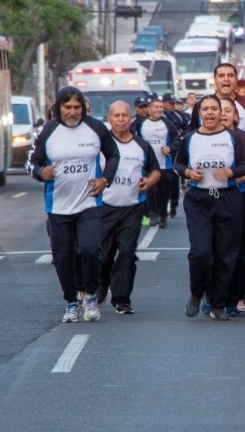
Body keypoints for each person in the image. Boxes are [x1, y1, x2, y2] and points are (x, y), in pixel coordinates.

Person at [27, 86, 120, 323]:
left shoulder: (96, 128)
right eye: (67, 107)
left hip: (89, 202)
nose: (72, 112)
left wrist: (105, 179)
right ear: (58, 108)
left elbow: (114, 155)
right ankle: (72, 301)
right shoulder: (48, 131)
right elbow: (31, 162)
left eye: (77, 107)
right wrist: (40, 172)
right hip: (58, 207)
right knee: (63, 257)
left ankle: (90, 296)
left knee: (89, 250)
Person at [174, 94, 245, 321]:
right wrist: (189, 172)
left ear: (220, 113)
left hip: (228, 199)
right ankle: (196, 293)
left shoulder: (233, 138)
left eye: (214, 109)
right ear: (199, 113)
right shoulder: (190, 138)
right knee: (201, 253)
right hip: (199, 200)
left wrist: (230, 172)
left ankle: (218, 304)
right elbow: (178, 164)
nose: (209, 113)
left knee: (225, 256)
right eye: (205, 109)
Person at [98, 101, 160, 315]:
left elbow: (155, 171)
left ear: (131, 118)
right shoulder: (100, 145)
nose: (121, 119)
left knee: (126, 252)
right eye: (116, 116)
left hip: (132, 208)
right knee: (103, 255)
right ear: (109, 119)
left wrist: (149, 181)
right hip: (104, 207)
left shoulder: (141, 146)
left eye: (125, 115)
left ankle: (121, 299)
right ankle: (101, 284)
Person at [219, 98, 245, 316]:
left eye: (228, 110)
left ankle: (237, 295)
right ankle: (216, 293)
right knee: (216, 248)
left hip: (243, 197)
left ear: (235, 116)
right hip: (214, 198)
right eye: (219, 110)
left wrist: (244, 176)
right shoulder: (200, 138)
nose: (223, 114)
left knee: (242, 249)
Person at [136, 94, 181, 228]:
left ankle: (163, 215)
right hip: (148, 164)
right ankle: (152, 214)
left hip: (164, 164)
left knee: (163, 191)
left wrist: (169, 148)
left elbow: (177, 140)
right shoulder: (141, 124)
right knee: (151, 189)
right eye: (156, 107)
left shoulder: (168, 124)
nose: (158, 109)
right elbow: (136, 140)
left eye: (161, 107)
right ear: (149, 110)